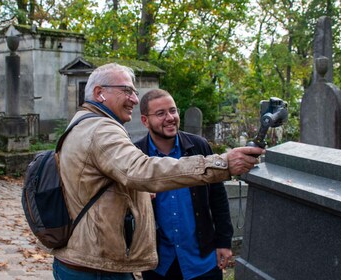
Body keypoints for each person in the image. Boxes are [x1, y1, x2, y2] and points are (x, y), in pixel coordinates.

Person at [52, 63, 263, 280]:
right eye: (127, 90)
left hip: (91, 258)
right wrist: (223, 164)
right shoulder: (101, 129)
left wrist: (223, 241)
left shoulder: (82, 123)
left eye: (134, 92)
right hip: (96, 268)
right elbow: (141, 171)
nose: (134, 98)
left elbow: (102, 184)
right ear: (100, 93)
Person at [135, 89, 233, 280]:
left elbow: (218, 197)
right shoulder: (137, 153)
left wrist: (224, 241)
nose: (170, 118)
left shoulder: (199, 146)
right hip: (159, 263)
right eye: (161, 113)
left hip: (201, 260)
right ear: (145, 121)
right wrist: (139, 197)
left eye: (173, 110)